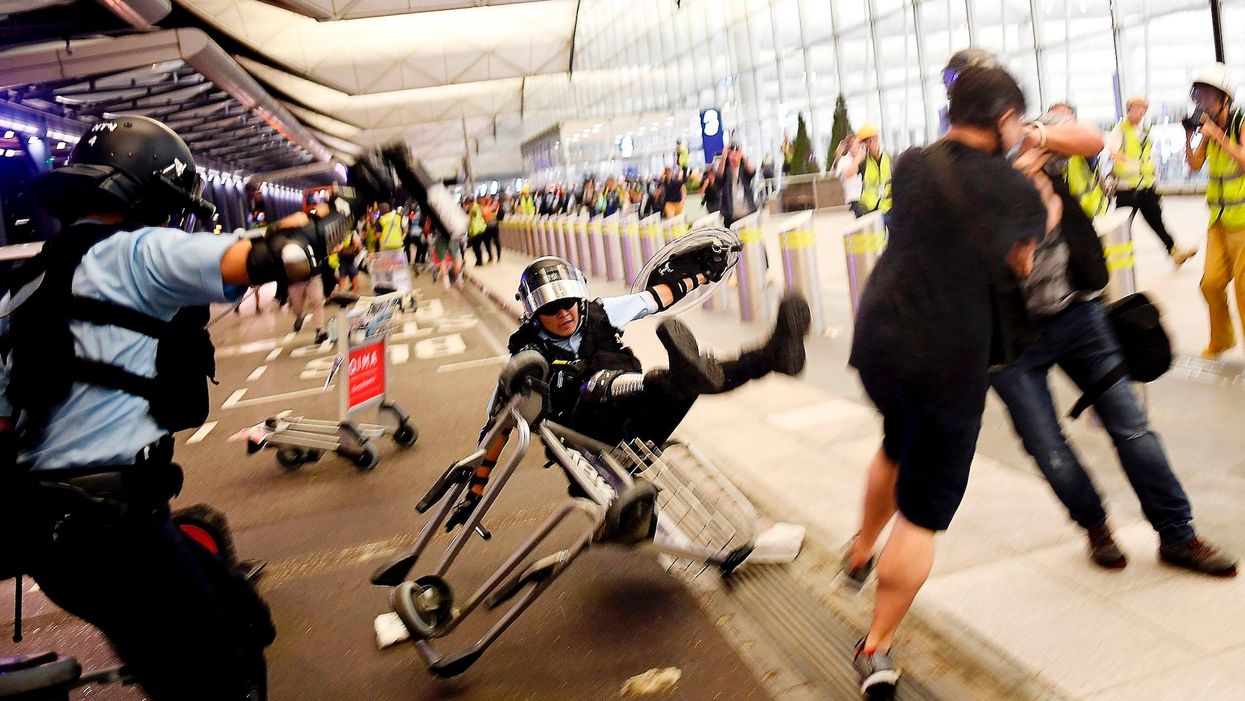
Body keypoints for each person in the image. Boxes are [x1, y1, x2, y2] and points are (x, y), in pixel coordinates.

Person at [0, 115, 355, 699]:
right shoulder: (140, 253)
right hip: (112, 531)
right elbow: (287, 255)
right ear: (148, 192)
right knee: (218, 681)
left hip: (59, 528)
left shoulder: (27, 282)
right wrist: (353, 200)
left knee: (243, 615)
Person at [842, 64, 1049, 696]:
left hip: (879, 341)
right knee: (924, 514)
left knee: (896, 443)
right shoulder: (1014, 191)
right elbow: (1021, 263)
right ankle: (875, 645)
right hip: (947, 359)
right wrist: (1035, 184)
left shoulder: (911, 164)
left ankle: (857, 553)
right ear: (1007, 120)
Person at [988, 110, 1239, 579]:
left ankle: (1178, 535)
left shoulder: (1036, 147)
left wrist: (1035, 136)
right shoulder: (969, 172)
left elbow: (1091, 139)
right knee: (1049, 450)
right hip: (1010, 340)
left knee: (1133, 428)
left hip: (1078, 316)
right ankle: (1095, 526)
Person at [504, 255, 810, 450]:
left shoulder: (599, 313)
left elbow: (654, 297)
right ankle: (684, 374)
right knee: (594, 385)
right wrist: (476, 483)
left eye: (567, 302)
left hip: (638, 423)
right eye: (551, 308)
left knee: (685, 381)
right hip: (588, 437)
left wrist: (702, 275)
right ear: (535, 313)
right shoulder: (528, 352)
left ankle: (771, 354)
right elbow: (501, 419)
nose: (563, 313)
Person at [1186, 62, 1245, 360]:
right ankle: (1222, 339)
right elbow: (1195, 165)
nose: (1202, 102)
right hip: (1219, 222)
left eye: (1209, 96)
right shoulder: (1210, 128)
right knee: (1210, 283)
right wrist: (1191, 135)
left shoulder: (1240, 122)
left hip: (1244, 222)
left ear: (1225, 98)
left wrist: (1217, 134)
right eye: (1199, 96)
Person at [1108, 96, 1197, 266]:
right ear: (1129, 109)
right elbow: (1113, 152)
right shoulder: (1120, 129)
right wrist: (1132, 165)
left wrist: (1151, 174)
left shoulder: (1146, 130)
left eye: (1143, 109)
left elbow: (1149, 156)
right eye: (1137, 108)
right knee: (1122, 226)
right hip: (1127, 188)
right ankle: (1109, 261)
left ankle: (1174, 251)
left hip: (1146, 186)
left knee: (1157, 220)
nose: (1141, 112)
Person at [1045, 103, 1108, 219]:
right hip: (1063, 218)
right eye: (1053, 118)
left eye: (1064, 119)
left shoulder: (1082, 149)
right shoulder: (1043, 153)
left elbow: (1095, 146)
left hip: (1091, 214)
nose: (1058, 123)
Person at [856, 123, 892, 225]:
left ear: (877, 140)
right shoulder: (863, 162)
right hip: (868, 209)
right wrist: (859, 156)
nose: (870, 145)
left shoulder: (889, 159)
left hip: (887, 209)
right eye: (866, 142)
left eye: (872, 140)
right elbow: (848, 174)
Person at [718, 144, 757, 227]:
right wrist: (723, 157)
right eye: (731, 156)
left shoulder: (744, 169)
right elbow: (718, 177)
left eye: (736, 155)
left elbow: (753, 171)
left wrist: (743, 155)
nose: (734, 158)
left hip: (747, 213)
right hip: (731, 215)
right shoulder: (726, 171)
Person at [833, 134, 866, 217]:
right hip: (854, 199)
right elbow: (848, 174)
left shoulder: (862, 158)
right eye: (857, 144)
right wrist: (858, 159)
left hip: (865, 198)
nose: (859, 147)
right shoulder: (844, 161)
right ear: (850, 147)